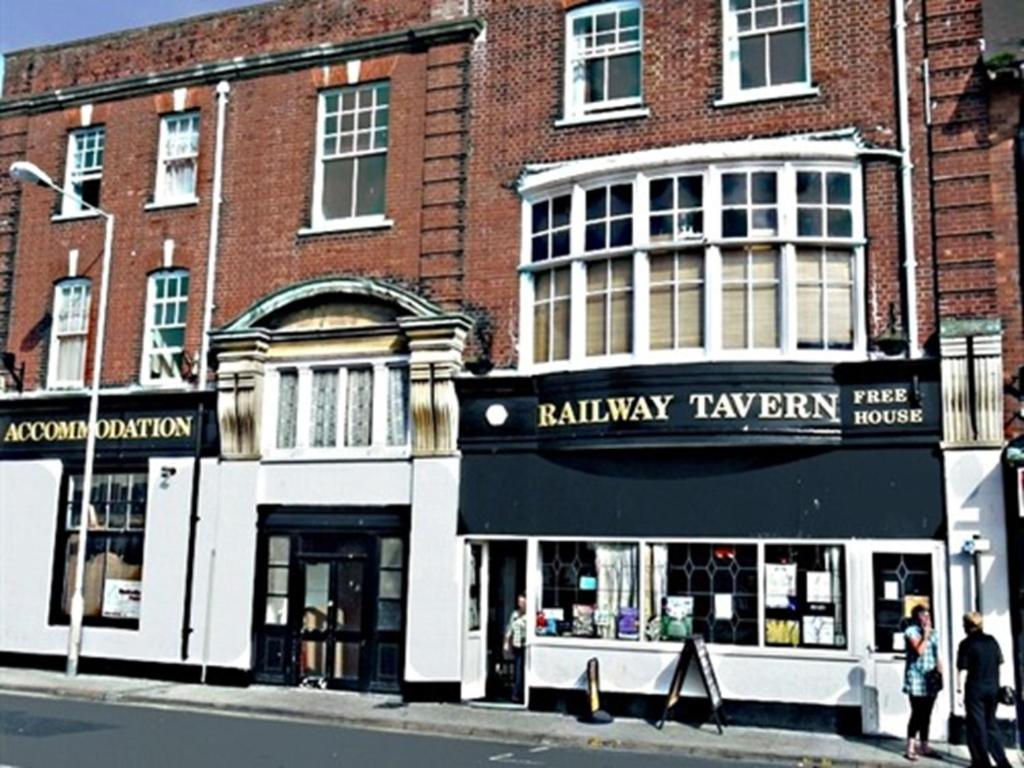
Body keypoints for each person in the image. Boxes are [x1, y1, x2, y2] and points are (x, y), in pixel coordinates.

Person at [956, 612, 1011, 768]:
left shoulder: (966, 644)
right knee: (991, 723)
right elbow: (1000, 663)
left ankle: (981, 762)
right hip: (993, 687)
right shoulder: (992, 641)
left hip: (975, 688)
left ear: (968, 626)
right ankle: (1002, 762)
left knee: (976, 726)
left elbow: (963, 670)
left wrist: (959, 691)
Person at [903, 604, 942, 760]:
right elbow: (919, 650)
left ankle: (924, 745)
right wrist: (925, 635)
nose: (927, 619)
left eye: (928, 616)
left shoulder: (934, 634)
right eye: (923, 616)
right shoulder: (911, 632)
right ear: (916, 618)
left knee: (927, 714)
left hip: (930, 678)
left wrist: (940, 672)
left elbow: (936, 654)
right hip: (917, 678)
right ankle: (910, 747)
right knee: (917, 713)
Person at [504, 593, 528, 703]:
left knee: (523, 670)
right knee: (518, 670)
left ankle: (521, 693)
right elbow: (510, 628)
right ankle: (516, 693)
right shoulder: (514, 615)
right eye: (519, 602)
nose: (521, 604)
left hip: (526, 646)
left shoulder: (529, 616)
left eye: (523, 602)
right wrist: (506, 643)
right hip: (517, 645)